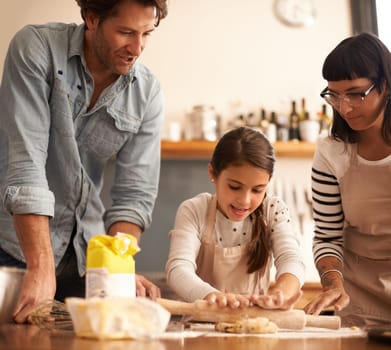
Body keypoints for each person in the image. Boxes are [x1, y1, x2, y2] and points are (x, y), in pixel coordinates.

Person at [0, 0, 168, 323]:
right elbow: (25, 165)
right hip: (15, 252)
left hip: (86, 261)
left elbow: (134, 196)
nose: (137, 48)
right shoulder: (36, 49)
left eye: (147, 33)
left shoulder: (148, 93)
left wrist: (119, 268)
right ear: (92, 19)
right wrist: (41, 267)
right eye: (126, 32)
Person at [304, 33, 391, 327]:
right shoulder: (332, 152)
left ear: (386, 84)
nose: (345, 107)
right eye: (334, 95)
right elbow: (328, 237)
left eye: (356, 93)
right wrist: (332, 284)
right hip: (360, 301)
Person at [165, 127, 305, 309]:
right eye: (234, 187)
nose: (245, 201)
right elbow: (178, 269)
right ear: (212, 174)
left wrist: (281, 293)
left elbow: (291, 258)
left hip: (253, 324)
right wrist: (211, 295)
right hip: (198, 325)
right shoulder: (194, 209)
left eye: (257, 190)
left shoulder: (273, 209)